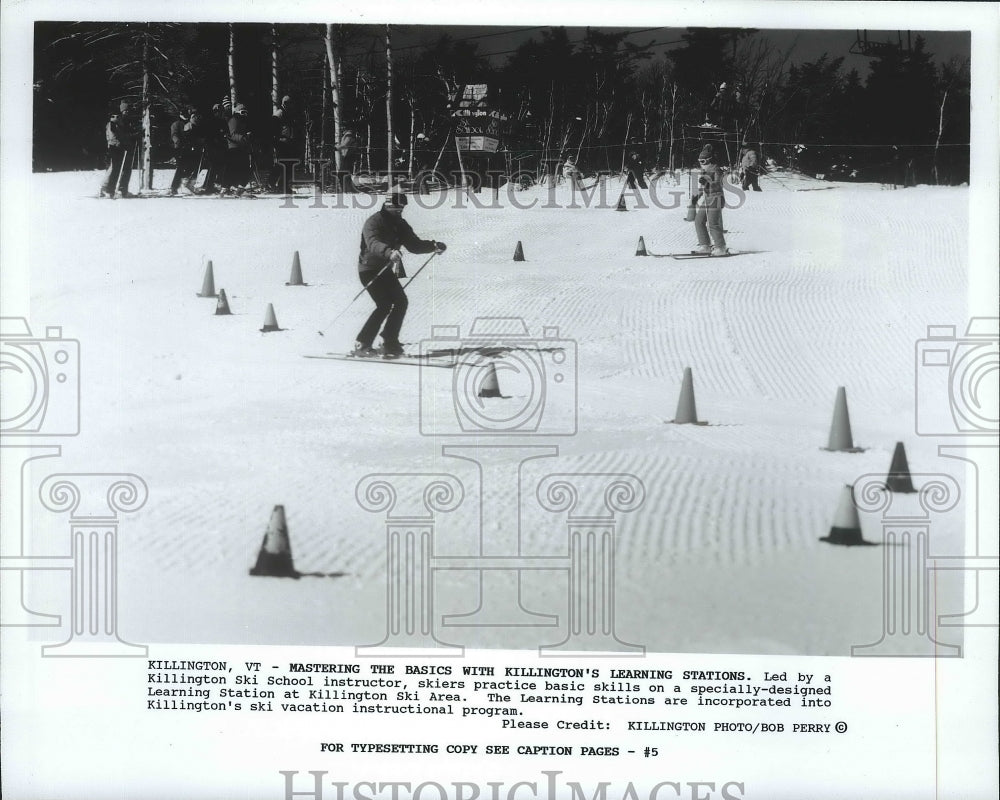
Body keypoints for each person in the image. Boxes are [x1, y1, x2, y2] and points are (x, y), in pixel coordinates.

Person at [354, 192, 446, 357]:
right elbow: (373, 243)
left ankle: (389, 342)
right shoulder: (374, 222)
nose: (399, 212)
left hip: (385, 269)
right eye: (396, 208)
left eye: (401, 209)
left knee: (401, 301)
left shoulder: (400, 224)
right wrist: (389, 252)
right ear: (388, 206)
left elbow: (414, 245)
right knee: (384, 305)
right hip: (369, 269)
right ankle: (363, 343)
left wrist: (433, 246)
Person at [692, 143, 728, 256]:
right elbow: (703, 187)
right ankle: (705, 245)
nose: (701, 164)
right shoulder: (704, 172)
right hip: (708, 199)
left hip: (716, 198)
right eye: (699, 161)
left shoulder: (716, 170)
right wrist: (696, 197)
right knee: (699, 220)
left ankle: (720, 247)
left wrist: (708, 182)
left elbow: (718, 184)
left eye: (703, 161)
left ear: (709, 160)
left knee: (713, 223)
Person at [100, 100, 138, 198]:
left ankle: (120, 189)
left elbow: (124, 134)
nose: (127, 113)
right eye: (125, 111)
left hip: (122, 148)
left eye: (128, 111)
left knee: (123, 169)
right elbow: (114, 136)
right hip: (115, 148)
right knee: (114, 169)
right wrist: (122, 142)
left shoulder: (123, 122)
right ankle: (106, 189)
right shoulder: (112, 123)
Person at [267, 95, 302, 194]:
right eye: (289, 103)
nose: (291, 105)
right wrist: (277, 140)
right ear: (284, 103)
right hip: (281, 143)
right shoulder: (279, 113)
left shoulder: (289, 113)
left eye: (291, 103)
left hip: (289, 143)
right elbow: (272, 129)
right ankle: (270, 183)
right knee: (281, 163)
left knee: (289, 164)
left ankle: (283, 186)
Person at [221, 103, 253, 195]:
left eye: (246, 113)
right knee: (232, 168)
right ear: (237, 112)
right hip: (234, 148)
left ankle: (239, 187)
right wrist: (244, 137)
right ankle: (225, 187)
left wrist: (247, 137)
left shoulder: (242, 121)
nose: (245, 115)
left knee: (245, 168)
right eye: (243, 112)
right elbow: (233, 134)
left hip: (241, 147)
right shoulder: (234, 120)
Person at [168, 108, 202, 195]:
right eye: (184, 114)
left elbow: (193, 135)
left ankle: (187, 182)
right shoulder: (177, 124)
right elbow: (174, 135)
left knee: (191, 166)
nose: (186, 116)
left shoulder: (190, 123)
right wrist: (178, 142)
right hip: (180, 148)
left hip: (189, 148)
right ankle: (174, 187)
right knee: (180, 168)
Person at [336, 127, 360, 193]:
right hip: (348, 156)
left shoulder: (349, 135)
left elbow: (345, 145)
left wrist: (337, 147)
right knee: (345, 173)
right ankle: (348, 189)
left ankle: (346, 189)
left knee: (342, 173)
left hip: (349, 156)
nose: (341, 129)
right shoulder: (347, 135)